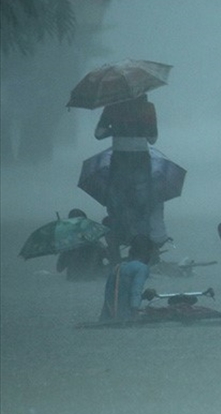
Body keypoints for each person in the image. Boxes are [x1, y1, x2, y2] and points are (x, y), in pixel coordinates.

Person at [94, 93, 158, 261]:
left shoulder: (112, 108)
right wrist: (139, 128)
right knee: (143, 206)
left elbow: (99, 133)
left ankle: (115, 254)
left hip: (119, 161)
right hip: (141, 161)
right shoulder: (148, 108)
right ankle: (144, 253)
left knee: (116, 206)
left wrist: (116, 128)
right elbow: (153, 138)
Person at [98, 234, 156, 321]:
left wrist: (144, 296)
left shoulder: (118, 267)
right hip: (125, 317)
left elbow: (115, 295)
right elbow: (135, 292)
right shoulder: (142, 268)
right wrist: (135, 314)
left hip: (107, 317)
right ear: (148, 252)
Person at [56, 208, 109, 281]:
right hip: (92, 278)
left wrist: (63, 250)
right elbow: (109, 257)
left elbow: (59, 268)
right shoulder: (95, 243)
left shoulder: (68, 245)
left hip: (73, 279)